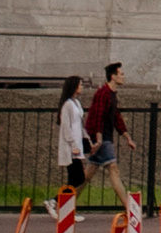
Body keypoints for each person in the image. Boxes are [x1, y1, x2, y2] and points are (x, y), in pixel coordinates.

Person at [86, 62, 135, 214]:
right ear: (113, 77)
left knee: (87, 174)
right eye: (121, 74)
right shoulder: (103, 93)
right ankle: (129, 208)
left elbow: (116, 117)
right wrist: (99, 138)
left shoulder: (112, 94)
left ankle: (60, 202)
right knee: (113, 169)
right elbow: (98, 116)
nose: (124, 77)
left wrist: (127, 137)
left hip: (103, 137)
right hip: (101, 138)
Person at [54, 75, 90, 203]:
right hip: (71, 147)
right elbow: (66, 127)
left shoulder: (76, 103)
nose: (82, 87)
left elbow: (79, 125)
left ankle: (63, 208)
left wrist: (87, 139)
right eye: (80, 84)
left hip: (77, 145)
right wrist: (73, 145)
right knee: (78, 178)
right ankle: (55, 202)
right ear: (74, 86)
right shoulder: (67, 105)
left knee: (74, 179)